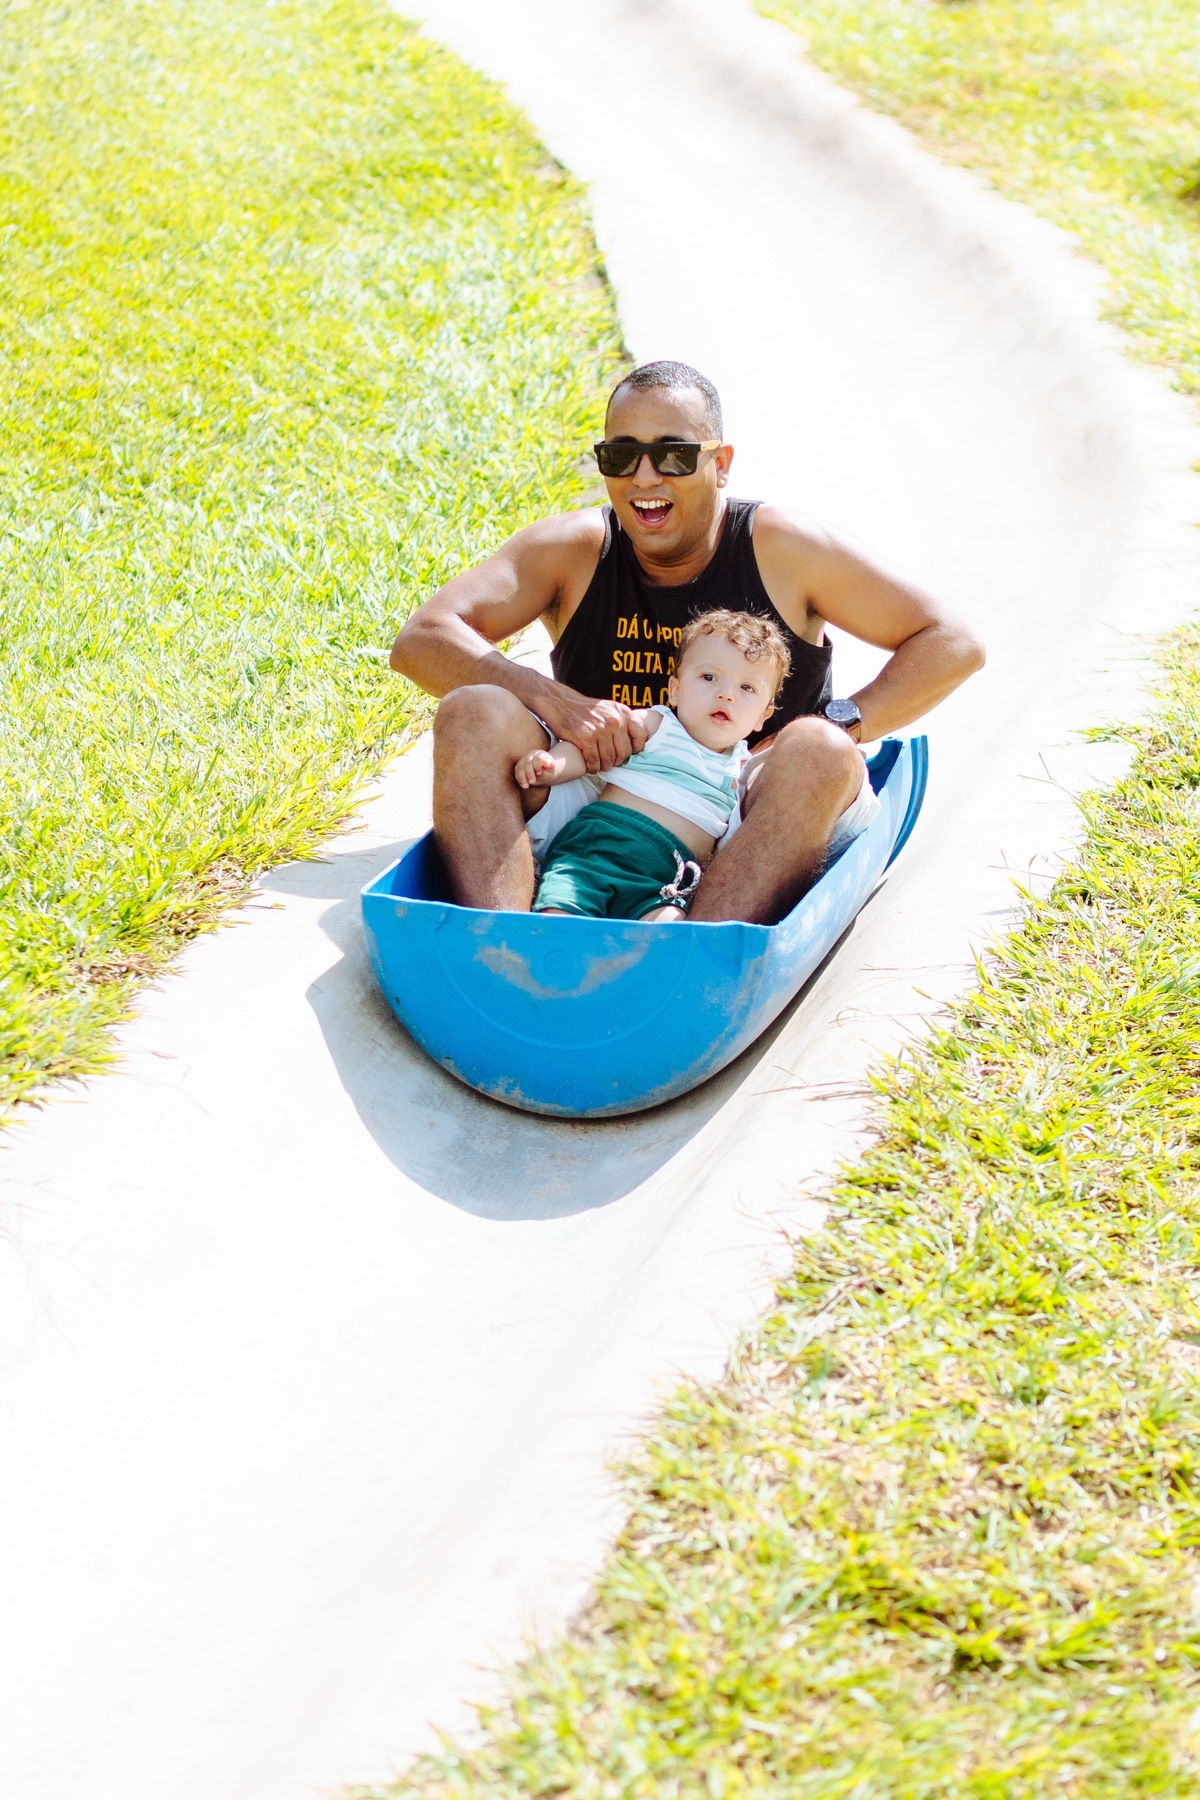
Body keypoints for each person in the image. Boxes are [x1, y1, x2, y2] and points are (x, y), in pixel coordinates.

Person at [390, 359, 985, 924]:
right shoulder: (572, 550)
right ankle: (501, 944)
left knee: (821, 749)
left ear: (720, 464)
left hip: (752, 810)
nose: (644, 477)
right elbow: (422, 638)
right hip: (606, 799)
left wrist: (843, 722)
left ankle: (694, 954)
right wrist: (555, 702)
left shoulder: (783, 548)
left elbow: (952, 641)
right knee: (474, 709)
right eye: (621, 455)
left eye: (672, 455)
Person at [519, 608, 874, 922]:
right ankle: (549, 952)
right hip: (599, 849)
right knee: (561, 913)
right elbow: (589, 748)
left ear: (763, 717)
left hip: (666, 880)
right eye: (708, 678)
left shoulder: (742, 768)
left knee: (671, 928)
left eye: (747, 688)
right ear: (674, 689)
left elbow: (766, 817)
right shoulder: (656, 725)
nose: (725, 694)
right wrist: (553, 765)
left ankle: (639, 970)